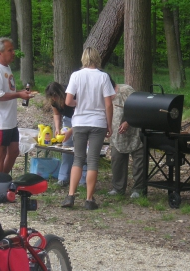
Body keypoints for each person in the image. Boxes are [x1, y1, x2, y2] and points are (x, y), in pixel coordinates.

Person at [61, 47, 115, 210]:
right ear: (97, 59)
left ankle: (70, 195)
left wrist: (82, 103)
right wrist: (109, 124)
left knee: (78, 158)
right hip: (98, 122)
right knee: (92, 160)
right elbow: (108, 103)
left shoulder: (76, 75)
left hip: (79, 122)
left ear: (83, 58)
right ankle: (89, 199)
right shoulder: (103, 77)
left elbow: (68, 101)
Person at [0, 37, 33, 173]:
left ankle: (2, 181)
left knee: (14, 151)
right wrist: (18, 95)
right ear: (0, 53)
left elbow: (7, 91)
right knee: (0, 154)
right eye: (10, 50)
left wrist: (21, 92)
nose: (13, 52)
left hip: (9, 120)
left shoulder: (7, 68)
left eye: (13, 50)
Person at [45, 82, 87, 187]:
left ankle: (83, 179)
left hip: (82, 118)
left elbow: (82, 115)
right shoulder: (53, 100)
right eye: (52, 97)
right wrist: (57, 127)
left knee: (82, 147)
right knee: (66, 148)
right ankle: (63, 177)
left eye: (56, 97)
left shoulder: (72, 95)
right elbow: (56, 113)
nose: (54, 99)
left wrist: (72, 130)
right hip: (67, 119)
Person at [107, 82, 144, 198]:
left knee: (139, 161)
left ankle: (138, 189)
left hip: (134, 131)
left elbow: (138, 106)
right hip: (116, 134)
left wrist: (128, 122)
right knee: (117, 161)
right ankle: (118, 188)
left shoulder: (125, 90)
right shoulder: (102, 94)